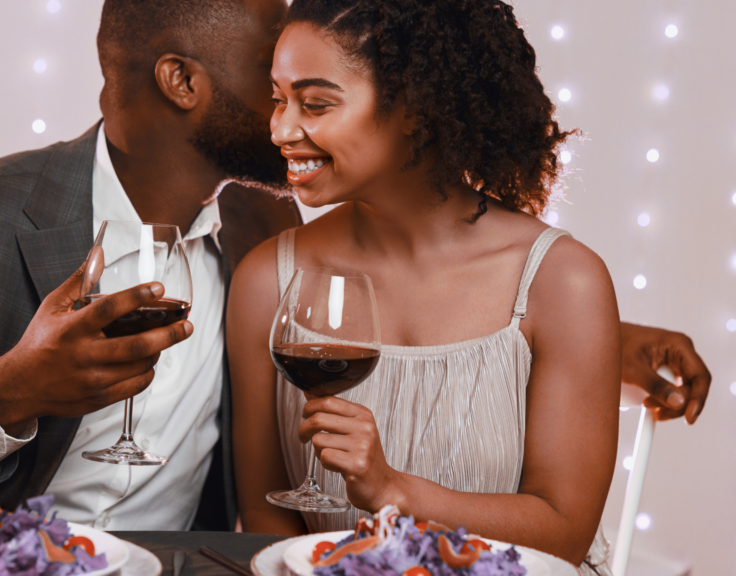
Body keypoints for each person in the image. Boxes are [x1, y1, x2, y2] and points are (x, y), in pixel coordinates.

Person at [0, 0, 710, 538]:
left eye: (311, 94)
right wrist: (11, 392)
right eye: (270, 78)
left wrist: (597, 339)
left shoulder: (260, 230)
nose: (285, 118)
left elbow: (423, 293)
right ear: (183, 82)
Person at [226, 1, 679, 573]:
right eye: (278, 99)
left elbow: (563, 534)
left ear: (414, 108)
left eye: (315, 104)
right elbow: (267, 519)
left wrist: (394, 491)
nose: (281, 129)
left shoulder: (563, 281)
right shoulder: (268, 282)